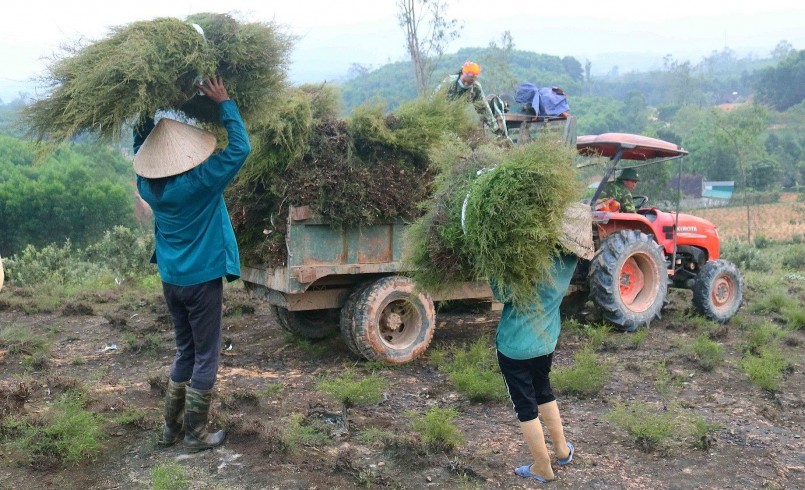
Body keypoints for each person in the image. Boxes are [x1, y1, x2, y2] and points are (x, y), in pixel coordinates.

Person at [133, 76, 251, 451]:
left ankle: (171, 430)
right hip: (202, 281)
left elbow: (139, 147)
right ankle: (197, 434)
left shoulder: (146, 184)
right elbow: (240, 149)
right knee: (205, 355)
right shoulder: (200, 181)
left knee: (185, 351)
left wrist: (144, 108)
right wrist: (224, 102)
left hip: (172, 280)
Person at [491, 207, 594, 483]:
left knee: (525, 405)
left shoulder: (529, 258)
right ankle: (562, 450)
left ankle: (542, 467)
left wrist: (495, 264)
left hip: (515, 345)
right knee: (543, 389)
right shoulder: (570, 258)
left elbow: (503, 294)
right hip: (546, 340)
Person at [439, 61, 508, 138]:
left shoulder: (475, 88)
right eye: (465, 81)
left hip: (458, 119)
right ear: (462, 73)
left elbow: (484, 110)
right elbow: (434, 102)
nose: (466, 84)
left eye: (470, 82)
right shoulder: (449, 83)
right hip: (442, 117)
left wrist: (497, 130)